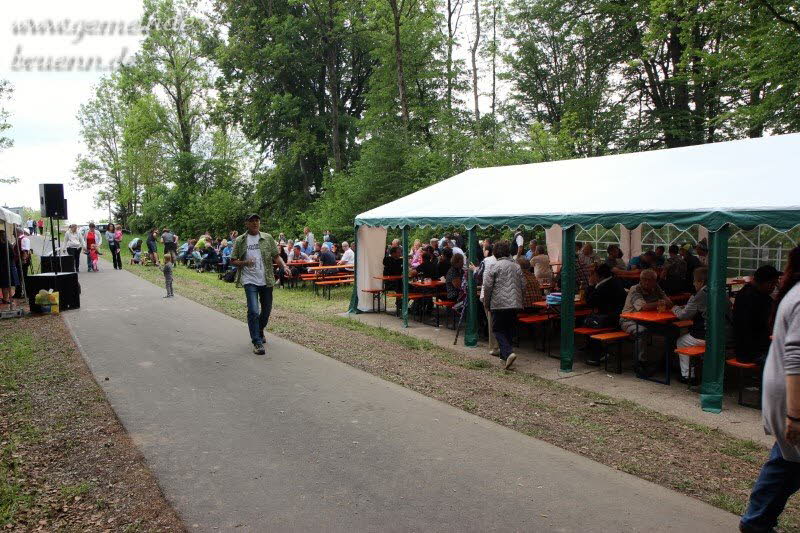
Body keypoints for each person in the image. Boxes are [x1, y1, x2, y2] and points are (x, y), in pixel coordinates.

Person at [740, 246, 800, 532]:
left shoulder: (789, 295)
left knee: (787, 461)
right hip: (790, 394)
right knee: (787, 461)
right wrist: (795, 415)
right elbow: (796, 356)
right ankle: (756, 521)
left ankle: (757, 520)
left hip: (781, 387)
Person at [231, 214, 290, 355]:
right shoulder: (240, 240)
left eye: (257, 220)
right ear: (247, 223)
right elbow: (233, 260)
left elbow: (276, 256)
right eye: (251, 221)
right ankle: (257, 342)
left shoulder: (267, 238)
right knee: (253, 310)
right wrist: (245, 263)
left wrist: (284, 266)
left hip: (266, 279)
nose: (255, 223)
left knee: (267, 310)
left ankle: (260, 329)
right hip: (249, 280)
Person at [619, 269, 673, 375]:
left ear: (655, 281)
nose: (647, 282)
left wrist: (664, 302)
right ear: (641, 279)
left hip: (649, 320)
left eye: (651, 280)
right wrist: (660, 302)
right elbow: (644, 307)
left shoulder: (656, 287)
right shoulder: (635, 289)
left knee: (673, 330)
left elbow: (669, 302)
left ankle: (665, 361)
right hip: (629, 321)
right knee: (641, 331)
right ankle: (640, 363)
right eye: (644, 280)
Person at [483, 240, 524, 369]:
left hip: (499, 303)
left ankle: (509, 352)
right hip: (514, 303)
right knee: (508, 329)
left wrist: (487, 303)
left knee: (497, 329)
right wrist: (519, 298)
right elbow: (523, 285)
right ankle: (505, 356)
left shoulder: (494, 266)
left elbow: (488, 287)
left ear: (495, 252)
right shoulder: (516, 266)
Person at [672, 267, 715, 384]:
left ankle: (687, 375)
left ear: (701, 282)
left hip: (707, 337)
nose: (693, 283)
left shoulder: (700, 295)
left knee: (681, 341)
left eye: (695, 281)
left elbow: (683, 316)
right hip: (725, 334)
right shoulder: (720, 291)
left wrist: (674, 307)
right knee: (687, 334)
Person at [733, 265, 781, 366]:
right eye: (774, 284)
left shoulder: (744, 293)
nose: (774, 287)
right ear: (769, 284)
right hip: (755, 353)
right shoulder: (760, 299)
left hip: (742, 350)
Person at [0, 230, 19, 305]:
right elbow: (12, 255)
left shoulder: (4, 244)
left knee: (5, 283)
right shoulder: (7, 244)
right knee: (7, 283)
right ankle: (7, 298)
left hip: (3, 265)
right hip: (8, 265)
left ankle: (6, 298)